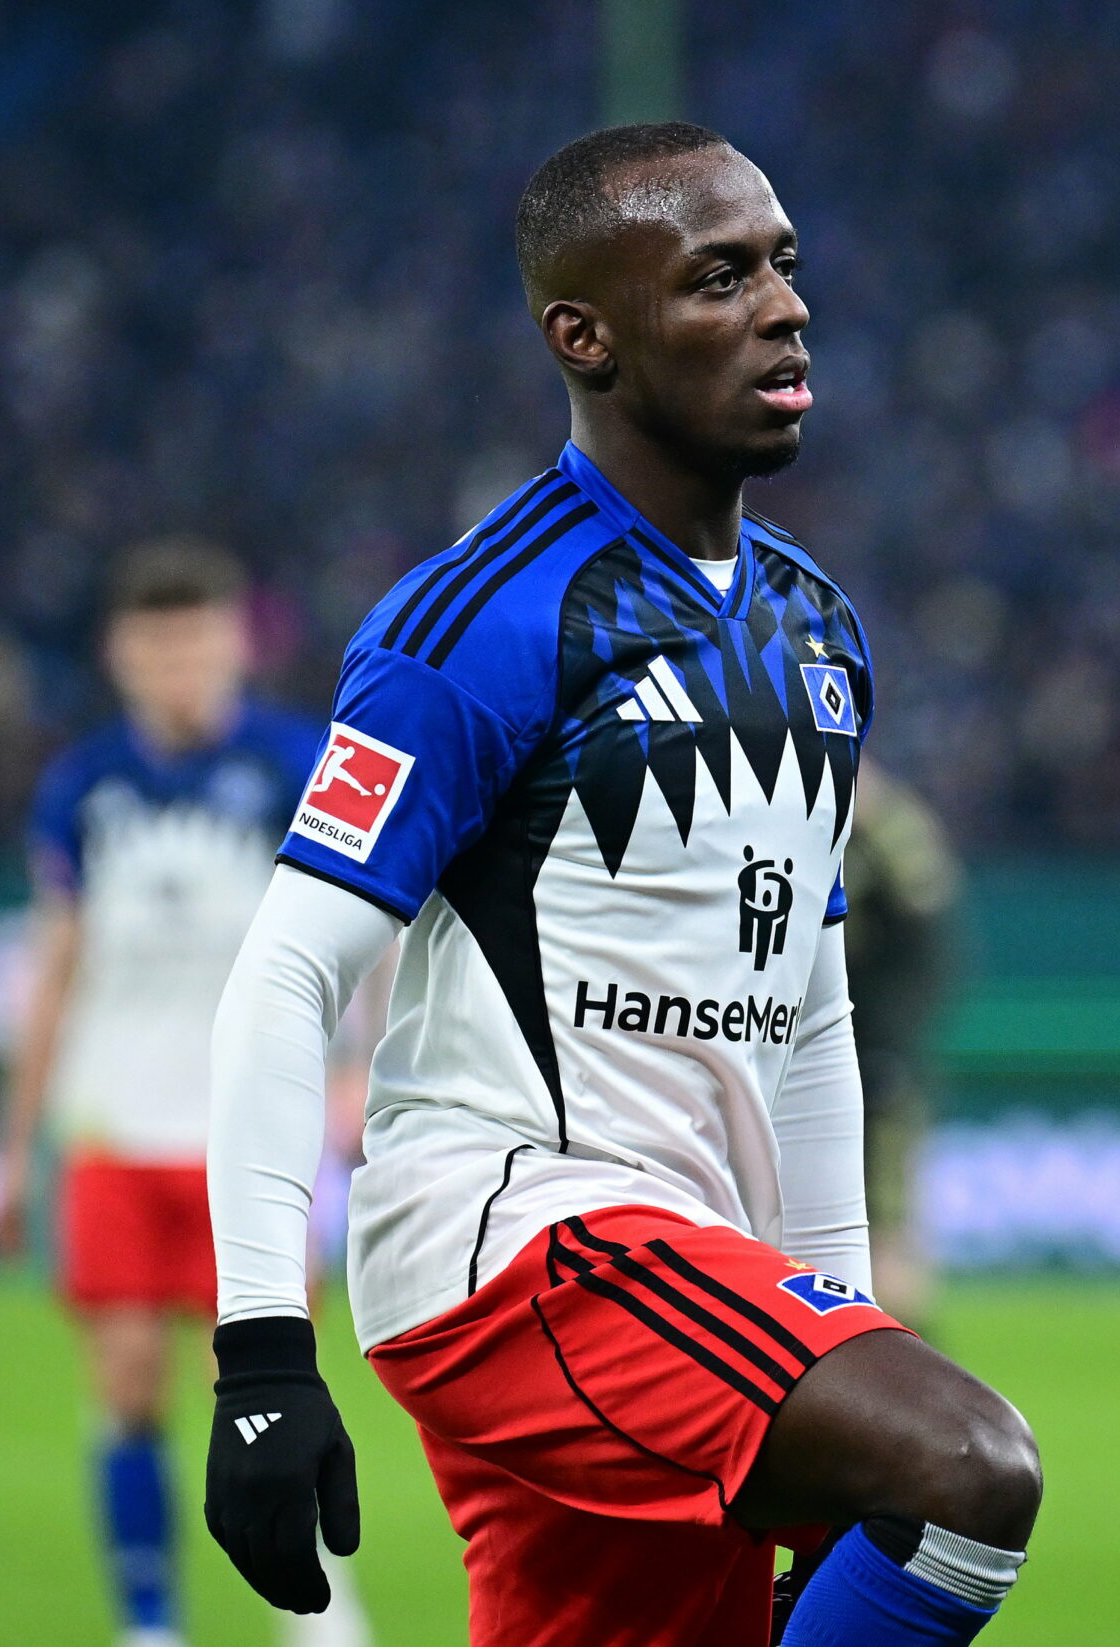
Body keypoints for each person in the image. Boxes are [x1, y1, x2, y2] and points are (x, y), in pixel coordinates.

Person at [201, 123, 1041, 1647]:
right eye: (718, 280)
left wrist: (842, 1306)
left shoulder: (821, 629)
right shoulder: (479, 620)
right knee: (968, 1470)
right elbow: (285, 972)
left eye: (783, 266)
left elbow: (810, 1018)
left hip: (686, 1270)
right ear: (583, 336)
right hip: (524, 1239)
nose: (783, 308)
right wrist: (262, 1352)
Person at [0, 541, 372, 1647]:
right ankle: (149, 1623)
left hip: (246, 1136)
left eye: (198, 639)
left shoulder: (302, 768)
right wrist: (17, 1150)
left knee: (254, 1375)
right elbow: (55, 974)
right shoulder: (84, 789)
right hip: (111, 1128)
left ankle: (312, 1610)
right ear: (120, 654)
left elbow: (365, 939)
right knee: (125, 1385)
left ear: (235, 643)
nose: (178, 664)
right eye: (156, 644)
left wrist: (359, 1070)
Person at [838, 760, 962, 1328]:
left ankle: (914, 1369)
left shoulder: (879, 826)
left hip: (871, 1058)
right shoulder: (875, 824)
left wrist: (890, 1044)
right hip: (831, 1056)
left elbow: (927, 938)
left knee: (883, 1222)